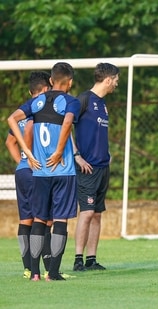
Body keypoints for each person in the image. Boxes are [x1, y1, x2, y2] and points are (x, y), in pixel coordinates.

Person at [7, 62, 81, 281]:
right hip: (63, 170)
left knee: (38, 219)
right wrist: (59, 151)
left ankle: (35, 273)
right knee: (60, 219)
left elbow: (12, 119)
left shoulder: (36, 102)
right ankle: (54, 273)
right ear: (70, 82)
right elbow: (68, 121)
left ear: (51, 80)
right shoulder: (71, 101)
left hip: (40, 172)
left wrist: (27, 153)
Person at [72, 63, 120, 271]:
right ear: (108, 80)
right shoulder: (83, 99)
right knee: (87, 212)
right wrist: (76, 156)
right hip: (87, 168)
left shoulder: (103, 104)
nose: (117, 84)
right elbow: (65, 128)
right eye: (116, 80)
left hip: (102, 167)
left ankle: (91, 259)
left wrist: (107, 156)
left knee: (97, 213)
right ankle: (77, 259)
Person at [5, 71, 51, 278]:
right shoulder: (40, 109)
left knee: (26, 219)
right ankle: (48, 268)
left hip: (22, 171)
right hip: (36, 172)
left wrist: (23, 162)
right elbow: (31, 129)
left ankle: (27, 268)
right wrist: (33, 160)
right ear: (46, 89)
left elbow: (9, 142)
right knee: (45, 220)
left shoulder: (22, 110)